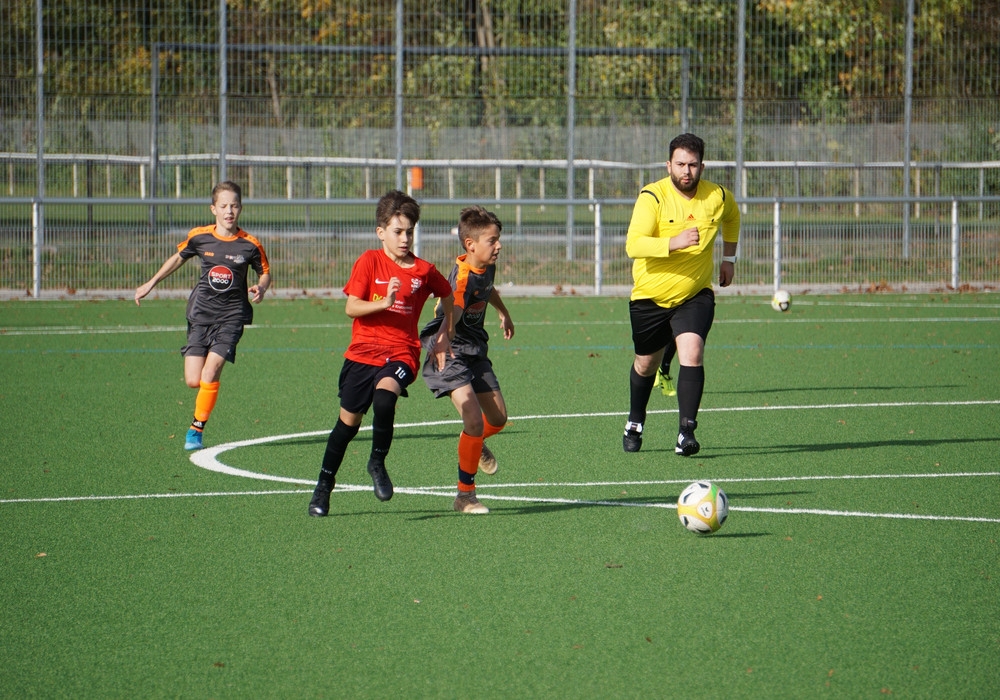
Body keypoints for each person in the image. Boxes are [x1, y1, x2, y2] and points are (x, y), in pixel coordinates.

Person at [308, 190, 454, 517]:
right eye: (397, 232)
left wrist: (445, 335)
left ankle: (377, 461)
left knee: (385, 399)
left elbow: (449, 296)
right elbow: (351, 307)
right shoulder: (368, 261)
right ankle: (323, 486)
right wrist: (384, 303)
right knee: (347, 426)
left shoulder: (423, 270)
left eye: (409, 232)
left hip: (402, 352)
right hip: (362, 354)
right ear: (381, 232)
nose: (404, 239)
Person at [622, 133, 740, 456]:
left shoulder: (717, 196)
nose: (686, 171)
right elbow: (634, 244)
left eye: (692, 165)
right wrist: (674, 242)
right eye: (680, 164)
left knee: (692, 352)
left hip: (694, 294)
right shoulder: (653, 197)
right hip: (649, 297)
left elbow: (732, 216)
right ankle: (635, 420)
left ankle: (685, 432)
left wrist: (729, 259)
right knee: (646, 364)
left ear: (702, 166)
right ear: (668, 165)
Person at [135, 180, 270, 451]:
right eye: (224, 206)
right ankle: (204, 398)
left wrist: (262, 287)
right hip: (201, 314)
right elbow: (177, 258)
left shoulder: (250, 244)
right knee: (193, 380)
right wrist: (151, 283)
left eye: (234, 205)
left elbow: (264, 272)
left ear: (241, 208)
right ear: (213, 209)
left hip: (232, 317)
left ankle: (196, 430)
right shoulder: (200, 237)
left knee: (210, 372)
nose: (229, 211)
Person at [420, 205, 514, 515]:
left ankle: (473, 441)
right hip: (448, 351)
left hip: (474, 349)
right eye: (492, 240)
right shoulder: (461, 279)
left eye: (498, 239)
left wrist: (503, 312)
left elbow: (487, 288)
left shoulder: (486, 266)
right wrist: (443, 338)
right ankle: (465, 495)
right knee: (473, 419)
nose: (499, 246)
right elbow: (455, 310)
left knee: (497, 419)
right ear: (470, 244)